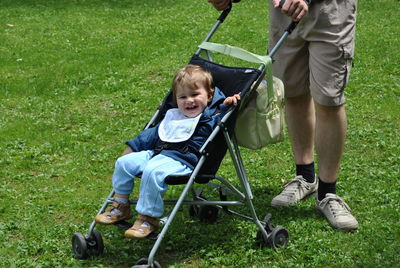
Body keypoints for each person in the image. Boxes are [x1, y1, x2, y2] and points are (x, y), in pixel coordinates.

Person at [208, 0, 358, 231]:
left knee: (328, 100)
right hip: (284, 12)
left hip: (330, 12)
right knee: (293, 92)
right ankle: (306, 177)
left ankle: (327, 193)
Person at [95, 64, 240, 239]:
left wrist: (226, 106)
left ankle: (148, 218)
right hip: (157, 153)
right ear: (175, 99)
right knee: (124, 163)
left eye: (195, 95)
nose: (189, 101)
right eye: (183, 97)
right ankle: (121, 205)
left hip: (183, 160)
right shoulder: (172, 115)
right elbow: (150, 135)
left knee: (153, 171)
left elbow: (218, 122)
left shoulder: (210, 116)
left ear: (209, 96)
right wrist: (131, 149)